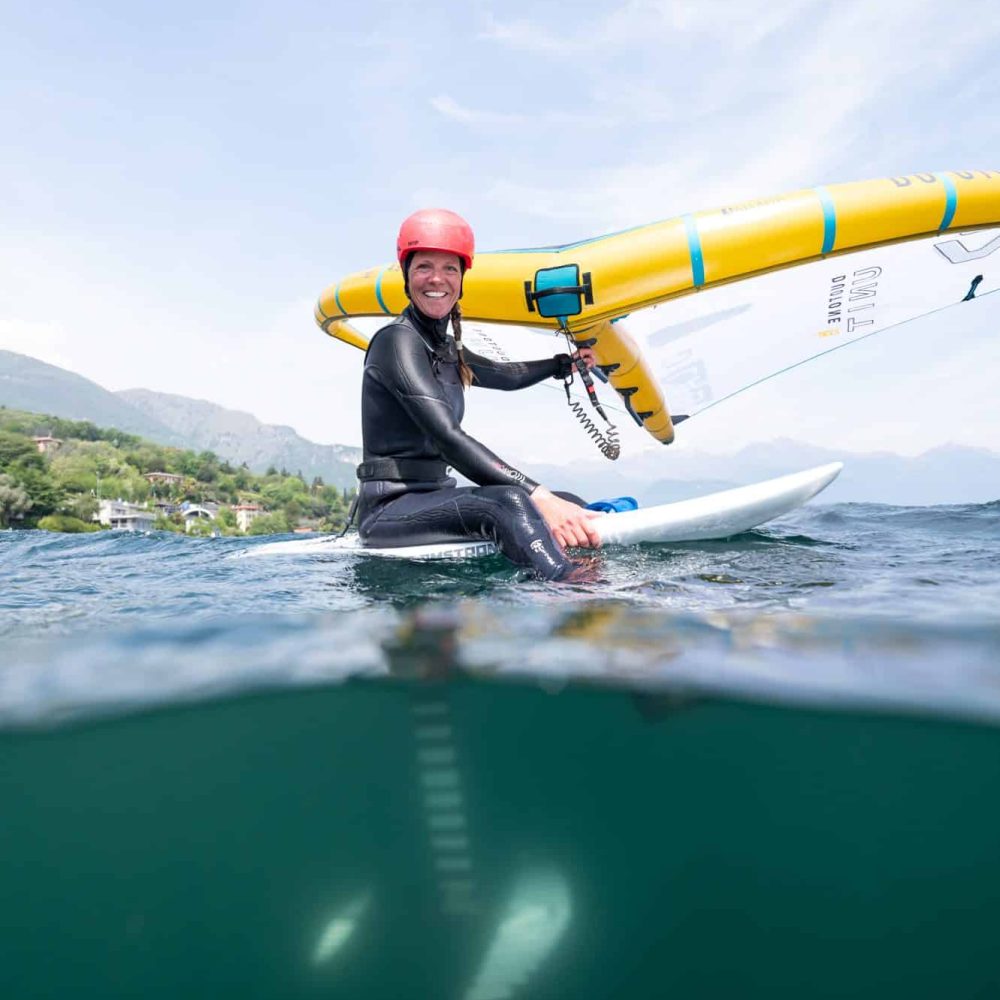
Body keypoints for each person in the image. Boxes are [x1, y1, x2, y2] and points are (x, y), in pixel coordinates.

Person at [356, 208, 601, 580]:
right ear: (406, 276)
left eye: (450, 269)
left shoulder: (446, 349)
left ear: (461, 279)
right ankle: (578, 590)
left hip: (432, 495)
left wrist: (560, 363)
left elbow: (506, 374)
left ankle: (598, 571)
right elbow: (448, 439)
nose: (437, 279)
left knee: (570, 504)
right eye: (424, 267)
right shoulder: (397, 342)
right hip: (389, 508)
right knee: (508, 504)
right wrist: (538, 494)